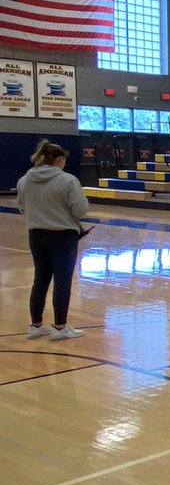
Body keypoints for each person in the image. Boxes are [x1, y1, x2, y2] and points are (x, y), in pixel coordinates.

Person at [17, 140, 89, 341]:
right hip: (63, 236)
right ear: (59, 159)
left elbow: (22, 207)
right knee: (62, 281)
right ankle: (60, 327)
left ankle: (36, 325)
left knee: (40, 279)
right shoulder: (68, 180)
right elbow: (81, 210)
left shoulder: (24, 180)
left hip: (36, 235)